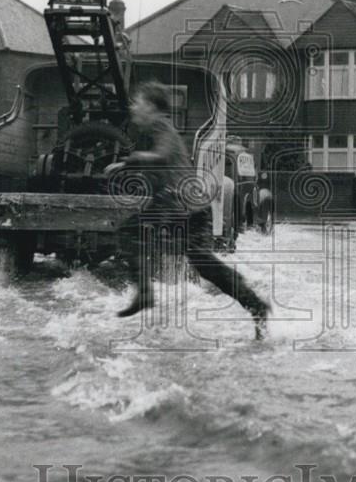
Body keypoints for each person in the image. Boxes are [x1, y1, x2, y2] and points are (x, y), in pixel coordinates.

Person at [106, 81, 271, 339]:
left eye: (137, 103)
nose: (133, 108)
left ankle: (145, 293)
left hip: (179, 205)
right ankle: (255, 305)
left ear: (151, 107)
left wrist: (127, 163)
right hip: (191, 207)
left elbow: (161, 156)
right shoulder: (154, 132)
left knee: (128, 232)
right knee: (204, 265)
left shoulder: (161, 127)